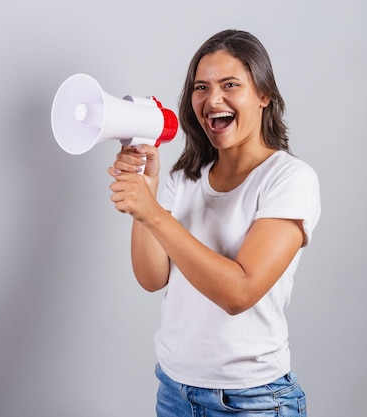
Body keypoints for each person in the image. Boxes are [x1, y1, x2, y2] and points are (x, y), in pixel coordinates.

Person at [108, 29, 320, 417]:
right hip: (174, 392)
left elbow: (239, 292)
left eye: (230, 85)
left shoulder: (289, 179)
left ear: (263, 94)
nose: (212, 99)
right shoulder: (185, 178)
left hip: (251, 400)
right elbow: (152, 277)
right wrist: (148, 193)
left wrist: (154, 213)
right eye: (201, 87)